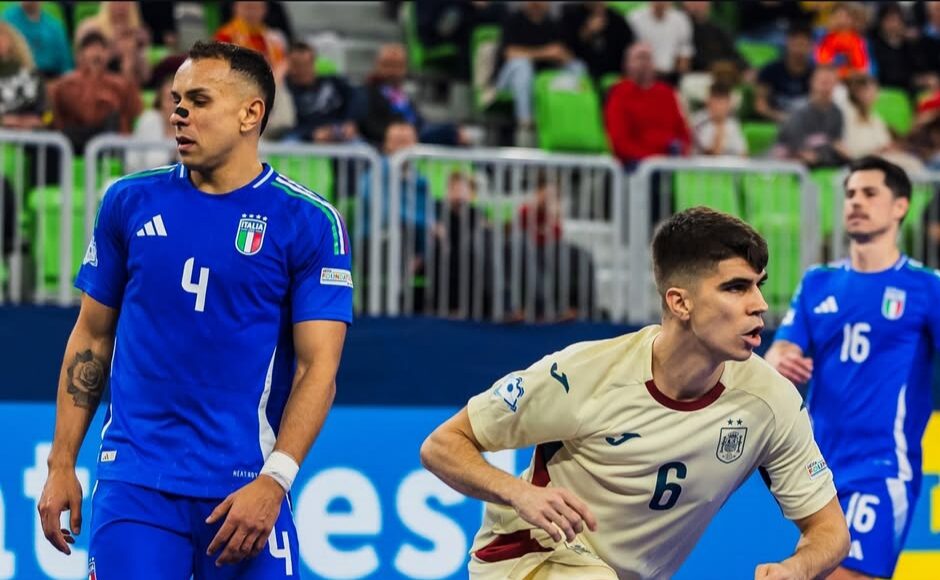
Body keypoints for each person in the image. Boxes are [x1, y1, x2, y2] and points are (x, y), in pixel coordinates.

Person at [36, 40, 352, 578]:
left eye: (199, 100)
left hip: (244, 490)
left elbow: (316, 369)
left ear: (251, 113)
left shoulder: (309, 221)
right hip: (136, 484)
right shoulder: (128, 202)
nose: (178, 112)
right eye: (176, 99)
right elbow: (91, 336)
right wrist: (61, 461)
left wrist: (275, 480)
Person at [421, 206, 849, 579]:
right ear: (680, 303)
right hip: (530, 556)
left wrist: (797, 568)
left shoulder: (770, 399)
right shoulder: (582, 374)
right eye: (736, 287)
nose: (759, 303)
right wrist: (520, 493)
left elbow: (830, 530)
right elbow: (442, 445)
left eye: (759, 285)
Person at [765, 156, 938, 579]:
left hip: (880, 466)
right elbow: (780, 351)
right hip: (815, 469)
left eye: (869, 193)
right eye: (850, 194)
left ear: (900, 207)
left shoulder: (926, 287)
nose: (855, 202)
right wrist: (779, 359)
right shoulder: (818, 282)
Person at [492, 1, 586, 146]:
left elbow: (563, 53)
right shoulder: (513, 20)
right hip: (508, 81)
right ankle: (526, 125)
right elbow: (510, 53)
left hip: (542, 83)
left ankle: (577, 121)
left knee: (577, 67)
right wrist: (545, 53)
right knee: (522, 65)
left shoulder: (554, 24)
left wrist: (562, 55)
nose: (536, 4)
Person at [49, 31, 142, 155]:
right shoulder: (66, 84)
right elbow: (85, 115)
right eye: (91, 49)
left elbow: (135, 111)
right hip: (76, 139)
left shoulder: (120, 83)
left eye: (101, 49)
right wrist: (95, 88)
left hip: (109, 137)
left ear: (108, 55)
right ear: (80, 56)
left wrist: (127, 71)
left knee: (114, 121)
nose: (97, 54)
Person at [604, 42, 691, 168]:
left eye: (648, 57)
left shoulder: (667, 93)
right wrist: (651, 160)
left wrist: (679, 151)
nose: (644, 63)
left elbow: (683, 133)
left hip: (669, 163)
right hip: (635, 165)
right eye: (639, 57)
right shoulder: (619, 93)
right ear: (627, 64)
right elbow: (618, 141)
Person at [772, 65, 848, 168]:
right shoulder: (797, 111)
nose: (825, 86)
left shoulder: (837, 113)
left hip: (823, 162)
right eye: (822, 81)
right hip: (791, 163)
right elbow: (795, 147)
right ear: (812, 82)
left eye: (829, 82)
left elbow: (836, 143)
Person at [283, 41, 358, 144]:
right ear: (290, 66)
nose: (303, 70)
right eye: (298, 65)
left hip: (338, 132)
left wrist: (350, 121)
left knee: (361, 147)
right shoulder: (285, 90)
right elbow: (287, 124)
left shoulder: (332, 81)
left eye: (307, 64)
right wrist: (311, 135)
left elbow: (356, 97)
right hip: (304, 137)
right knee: (288, 144)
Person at [74, 0, 152, 87]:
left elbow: (145, 77)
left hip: (126, 86)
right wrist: (112, 49)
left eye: (125, 2)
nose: (121, 6)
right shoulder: (89, 28)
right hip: (93, 82)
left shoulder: (137, 33)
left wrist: (137, 52)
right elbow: (80, 64)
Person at [754, 24, 815, 124]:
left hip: (807, 124)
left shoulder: (816, 73)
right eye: (795, 45)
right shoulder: (769, 71)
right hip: (775, 122)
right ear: (787, 43)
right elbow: (760, 105)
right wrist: (779, 116)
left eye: (803, 45)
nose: (798, 50)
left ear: (811, 47)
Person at [560, 1, 634, 81]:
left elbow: (628, 49)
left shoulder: (617, 18)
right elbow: (565, 49)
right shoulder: (570, 15)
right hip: (582, 76)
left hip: (615, 74)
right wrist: (587, 32)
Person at [627, 1, 694, 84]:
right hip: (642, 76)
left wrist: (679, 78)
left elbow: (685, 52)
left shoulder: (681, 20)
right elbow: (631, 54)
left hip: (671, 76)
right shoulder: (634, 19)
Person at [124, 71, 178, 174]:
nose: (174, 105)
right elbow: (132, 162)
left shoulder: (193, 124)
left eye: (178, 100)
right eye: (169, 99)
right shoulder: (148, 120)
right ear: (160, 102)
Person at [1, 1, 72, 78]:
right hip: (17, 78)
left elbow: (66, 67)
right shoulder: (6, 22)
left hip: (52, 78)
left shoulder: (55, 27)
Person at [0, 20, 48, 131]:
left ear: (11, 40)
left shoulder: (34, 76)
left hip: (32, 140)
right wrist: (4, 121)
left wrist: (38, 122)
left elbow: (48, 116)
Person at [692, 83, 747, 156]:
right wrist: (719, 130)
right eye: (717, 102)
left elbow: (743, 153)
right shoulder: (699, 121)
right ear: (708, 102)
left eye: (724, 103)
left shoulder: (733, 122)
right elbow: (712, 155)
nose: (720, 107)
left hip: (730, 164)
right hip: (704, 165)